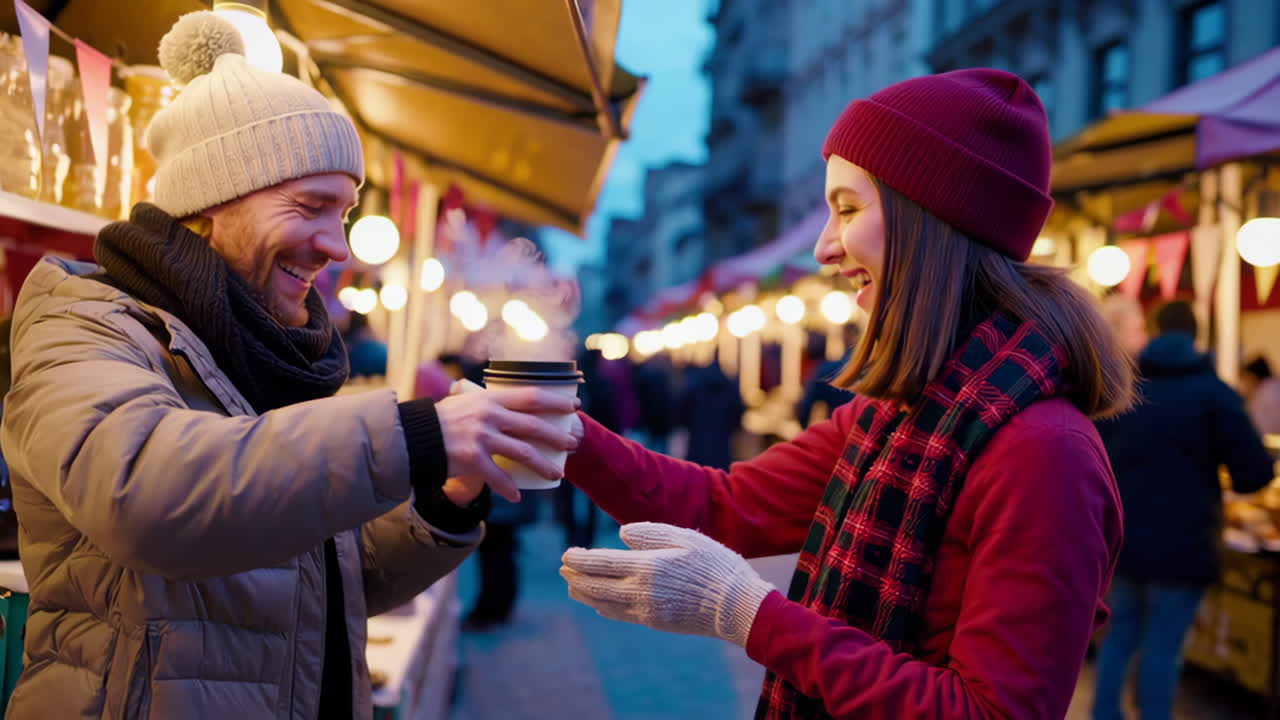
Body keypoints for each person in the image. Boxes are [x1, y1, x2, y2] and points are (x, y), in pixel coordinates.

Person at [0, 13, 577, 719]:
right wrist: (418, 435)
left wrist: (444, 497)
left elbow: (328, 583)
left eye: (346, 213)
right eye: (312, 207)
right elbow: (144, 494)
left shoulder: (262, 349)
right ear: (210, 203)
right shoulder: (84, 323)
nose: (338, 246)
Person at [557, 69, 1133, 718]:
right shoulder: (895, 414)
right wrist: (564, 433)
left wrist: (750, 615)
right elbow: (723, 507)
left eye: (849, 209)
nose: (825, 247)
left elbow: (989, 712)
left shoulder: (1045, 455)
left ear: (933, 220)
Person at [1091, 300, 1273, 720]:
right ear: (1197, 336)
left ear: (1154, 332)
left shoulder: (1127, 388)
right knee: (1164, 642)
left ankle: (1104, 714)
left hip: (1125, 539)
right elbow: (1253, 473)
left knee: (1119, 635)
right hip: (1185, 542)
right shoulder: (1214, 393)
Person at [1241, 355, 1280, 435]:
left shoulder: (1263, 394)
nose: (1244, 386)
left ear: (1253, 377)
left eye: (1246, 380)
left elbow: (1256, 427)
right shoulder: (1274, 388)